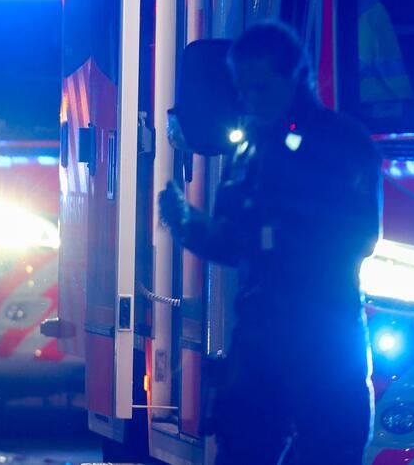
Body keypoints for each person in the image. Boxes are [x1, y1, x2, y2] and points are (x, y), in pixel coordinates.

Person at [159, 23, 381, 465]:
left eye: (260, 88)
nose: (250, 101)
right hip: (259, 340)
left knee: (328, 450)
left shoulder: (341, 144)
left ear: (295, 77)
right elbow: (234, 240)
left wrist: (268, 237)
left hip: (322, 334)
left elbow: (355, 235)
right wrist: (189, 226)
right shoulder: (252, 149)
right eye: (243, 90)